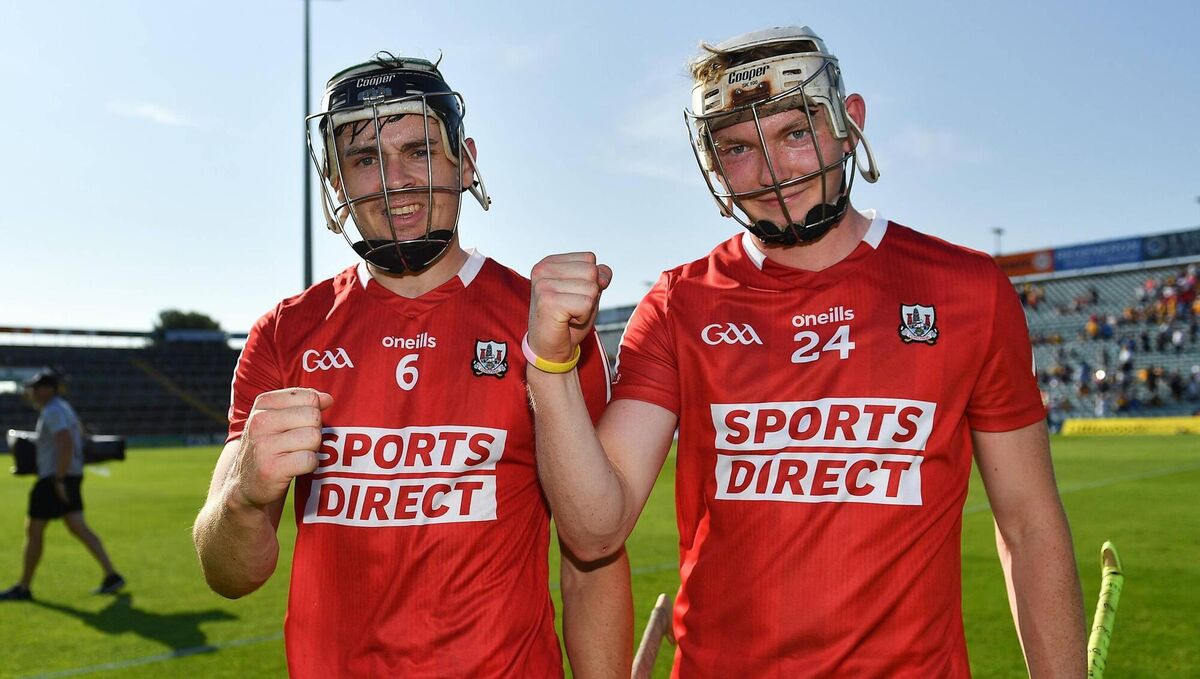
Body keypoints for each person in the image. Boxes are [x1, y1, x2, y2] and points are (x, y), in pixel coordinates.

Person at [526, 26, 1085, 677]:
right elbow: (596, 529)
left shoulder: (966, 290)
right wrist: (551, 365)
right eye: (737, 147)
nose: (770, 172)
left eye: (794, 133)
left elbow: (1029, 523)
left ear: (849, 123)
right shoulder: (681, 302)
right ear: (711, 161)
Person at [191, 52, 631, 677]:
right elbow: (229, 575)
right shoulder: (286, 333)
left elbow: (591, 557)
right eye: (365, 159)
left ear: (466, 161)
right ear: (337, 182)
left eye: (419, 151)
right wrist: (242, 497)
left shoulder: (546, 328)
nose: (394, 179)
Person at [1, 371, 125, 601]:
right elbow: (79, 434)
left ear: (49, 389)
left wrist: (57, 479)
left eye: (36, 388)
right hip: (70, 475)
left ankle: (23, 587)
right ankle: (112, 575)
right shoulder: (63, 407)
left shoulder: (53, 411)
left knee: (34, 529)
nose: (32, 392)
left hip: (54, 478)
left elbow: (66, 442)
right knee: (77, 525)